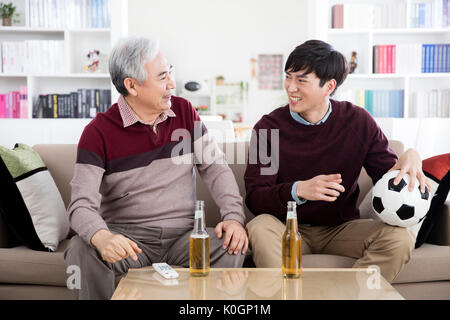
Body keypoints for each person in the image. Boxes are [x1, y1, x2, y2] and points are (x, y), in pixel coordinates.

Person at [64, 37, 248, 300]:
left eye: (170, 71)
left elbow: (216, 169)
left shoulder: (184, 112)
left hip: (185, 236)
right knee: (81, 248)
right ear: (132, 85)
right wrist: (102, 237)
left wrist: (233, 217)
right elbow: (81, 204)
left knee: (232, 243)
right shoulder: (98, 132)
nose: (172, 83)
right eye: (162, 76)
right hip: (128, 239)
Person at [244, 39, 431, 283]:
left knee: (400, 238)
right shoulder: (268, 128)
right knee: (259, 226)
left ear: (329, 86)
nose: (290, 87)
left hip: (341, 229)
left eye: (301, 80)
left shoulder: (357, 121)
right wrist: (298, 190)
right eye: (288, 77)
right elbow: (255, 197)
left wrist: (411, 154)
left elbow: (388, 177)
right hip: (286, 227)